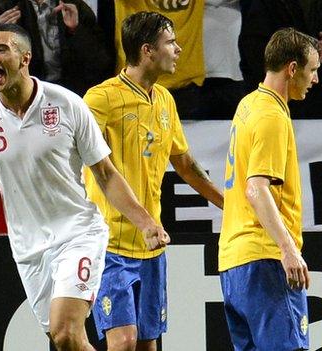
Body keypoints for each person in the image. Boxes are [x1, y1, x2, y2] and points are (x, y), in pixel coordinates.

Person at [0, 23, 168, 351]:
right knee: (67, 343)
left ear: (25, 58)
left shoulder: (66, 104)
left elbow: (105, 173)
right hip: (29, 249)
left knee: (64, 330)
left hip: (78, 234)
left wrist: (145, 222)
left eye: (1, 49)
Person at [83, 12, 224, 351]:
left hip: (151, 245)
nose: (178, 48)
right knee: (124, 341)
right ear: (147, 50)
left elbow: (186, 165)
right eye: (170, 42)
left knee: (148, 343)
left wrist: (230, 205)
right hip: (109, 244)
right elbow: (85, 164)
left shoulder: (164, 100)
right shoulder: (99, 100)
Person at [219, 27, 319, 350]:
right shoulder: (272, 116)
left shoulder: (247, 105)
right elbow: (256, 189)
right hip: (265, 260)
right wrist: (288, 249)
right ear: (292, 69)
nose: (315, 79)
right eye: (313, 70)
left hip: (233, 265)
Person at [0, 0, 113, 98]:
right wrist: (2, 34)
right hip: (25, 96)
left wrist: (75, 30)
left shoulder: (74, 5)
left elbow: (100, 61)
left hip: (72, 93)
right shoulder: (3, 7)